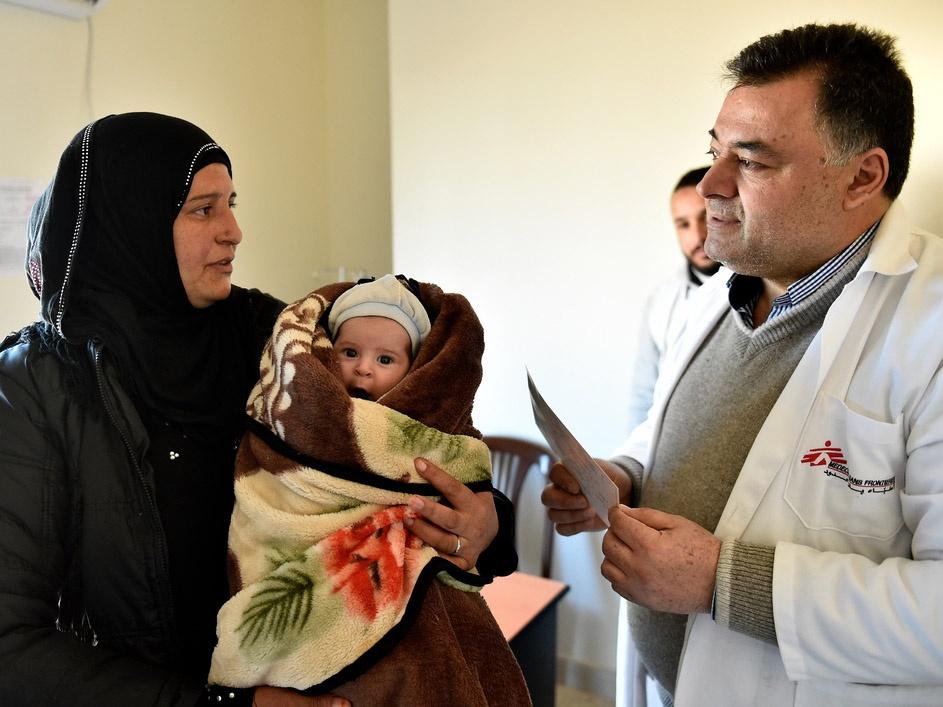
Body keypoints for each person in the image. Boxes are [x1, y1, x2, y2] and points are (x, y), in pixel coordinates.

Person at [0, 113, 516, 707]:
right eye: (202, 209)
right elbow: (12, 644)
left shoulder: (276, 341)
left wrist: (487, 522)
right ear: (131, 224)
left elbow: (398, 452)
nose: (234, 231)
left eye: (231, 203)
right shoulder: (35, 388)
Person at [542, 23, 943, 706]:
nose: (708, 186)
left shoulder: (927, 328)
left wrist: (720, 581)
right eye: (713, 151)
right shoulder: (717, 291)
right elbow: (675, 427)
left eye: (750, 162)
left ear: (861, 177)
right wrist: (625, 475)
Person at [208, 274, 529, 704]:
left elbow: (472, 500)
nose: (363, 368)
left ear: (415, 372)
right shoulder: (294, 399)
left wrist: (491, 525)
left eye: (385, 360)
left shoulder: (425, 433)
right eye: (350, 353)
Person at [625, 167, 719, 430]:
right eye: (684, 224)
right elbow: (642, 399)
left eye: (707, 217)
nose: (698, 236)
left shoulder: (767, 291)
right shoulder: (661, 302)